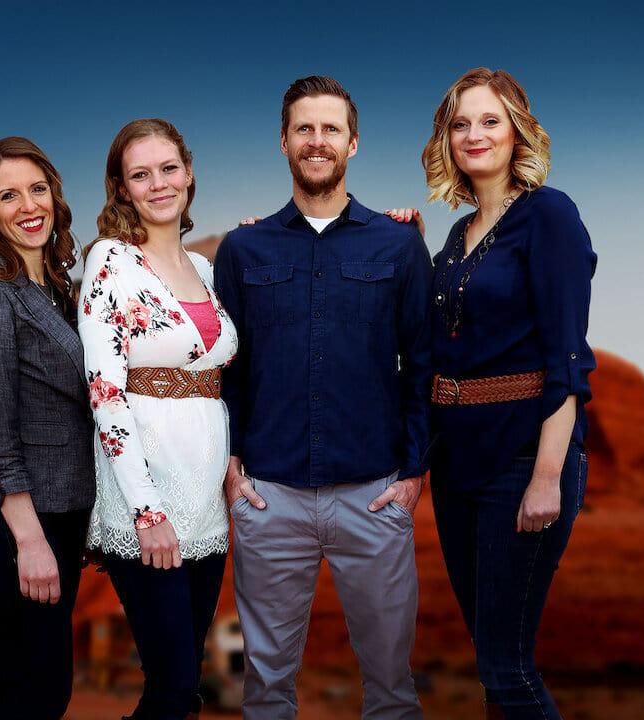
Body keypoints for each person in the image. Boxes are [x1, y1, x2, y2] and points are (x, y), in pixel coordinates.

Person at [214, 76, 433, 720]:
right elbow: (226, 368)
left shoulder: (397, 244)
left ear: (353, 143)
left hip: (374, 494)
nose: (317, 141)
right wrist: (230, 465)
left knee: (393, 689)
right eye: (304, 129)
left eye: (330, 129)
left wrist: (415, 471)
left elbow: (421, 364)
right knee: (265, 692)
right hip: (268, 496)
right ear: (284, 141)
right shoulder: (244, 247)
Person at [421, 68, 597, 719]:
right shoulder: (456, 236)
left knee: (508, 667)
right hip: (458, 466)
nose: (475, 134)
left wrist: (548, 473)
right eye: (461, 123)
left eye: (490, 120)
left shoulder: (548, 215)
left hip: (523, 460)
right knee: (493, 665)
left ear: (516, 129)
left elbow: (568, 355)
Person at [79, 118, 238, 720]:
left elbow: (218, 378)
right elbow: (105, 392)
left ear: (189, 173)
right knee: (173, 688)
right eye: (139, 175)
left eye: (168, 169)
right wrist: (147, 511)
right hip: (145, 501)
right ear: (121, 189)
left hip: (203, 502)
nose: (158, 184)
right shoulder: (111, 260)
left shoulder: (205, 270)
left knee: (181, 686)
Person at [0, 137, 94, 719]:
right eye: (8, 195)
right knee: (38, 686)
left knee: (30, 683)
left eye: (38, 189)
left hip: (58, 516)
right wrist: (30, 541)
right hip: (8, 523)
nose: (28, 205)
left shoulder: (58, 290)